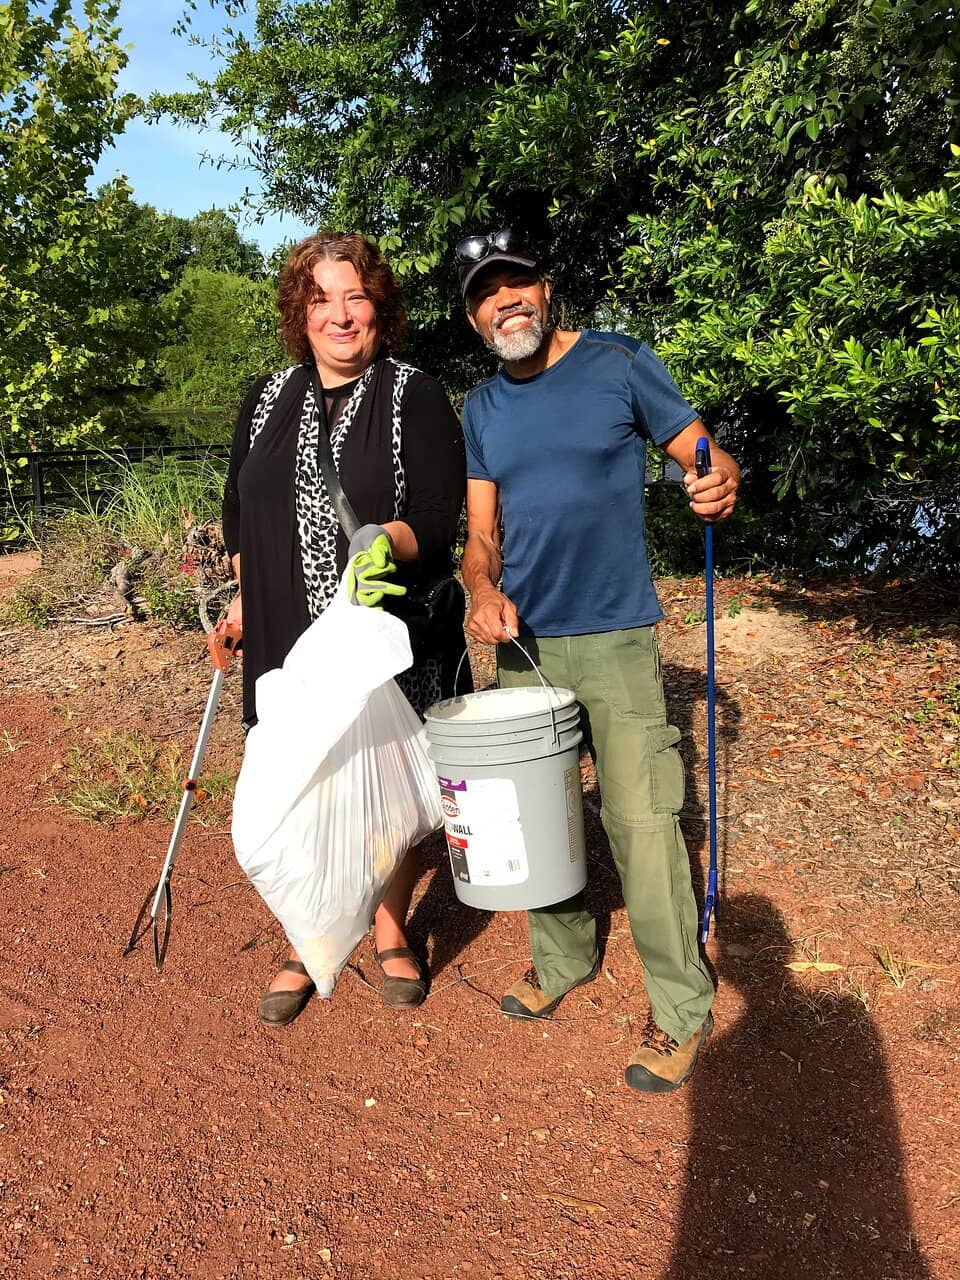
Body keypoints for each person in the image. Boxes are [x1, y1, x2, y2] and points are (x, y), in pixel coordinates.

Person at [456, 229, 741, 1094]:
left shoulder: (620, 363)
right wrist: (478, 590)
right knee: (535, 813)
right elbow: (480, 537)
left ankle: (681, 1004)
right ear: (473, 318)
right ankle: (564, 958)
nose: (505, 302)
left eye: (517, 285)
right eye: (486, 293)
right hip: (524, 649)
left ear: (548, 291)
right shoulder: (482, 409)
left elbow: (704, 455)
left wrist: (716, 478)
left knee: (643, 821)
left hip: (616, 637)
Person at [222, 230, 466, 1024]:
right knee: (300, 779)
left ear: (379, 308)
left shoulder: (412, 394)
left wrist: (384, 543)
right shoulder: (264, 398)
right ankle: (311, 936)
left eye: (355, 296)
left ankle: (390, 922)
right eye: (320, 297)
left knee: (385, 780)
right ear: (300, 311)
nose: (339, 313)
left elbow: (436, 515)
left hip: (381, 630)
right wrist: (241, 601)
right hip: (287, 631)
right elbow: (239, 510)